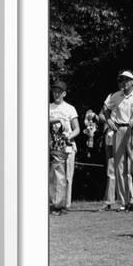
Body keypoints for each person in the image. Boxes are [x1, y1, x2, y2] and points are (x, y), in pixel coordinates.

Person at [99, 70, 133, 212]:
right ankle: (125, 201)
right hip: (118, 130)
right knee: (120, 168)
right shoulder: (115, 96)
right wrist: (109, 120)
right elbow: (105, 108)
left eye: (126, 80)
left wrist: (132, 120)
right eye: (121, 80)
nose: (123, 83)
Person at [49, 80, 80, 214]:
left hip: (67, 145)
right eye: (54, 91)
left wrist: (68, 137)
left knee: (67, 176)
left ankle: (65, 205)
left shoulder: (70, 108)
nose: (56, 94)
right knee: (53, 176)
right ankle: (54, 203)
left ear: (64, 94)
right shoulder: (48, 107)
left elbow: (77, 128)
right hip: (52, 146)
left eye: (59, 92)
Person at [98, 102, 133, 211]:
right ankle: (109, 201)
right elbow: (101, 115)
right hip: (111, 136)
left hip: (127, 135)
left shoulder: (132, 97)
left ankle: (130, 201)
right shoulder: (111, 97)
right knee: (111, 170)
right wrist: (110, 121)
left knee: (127, 169)